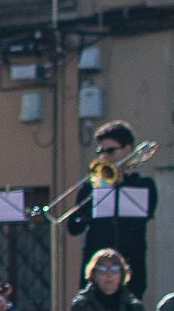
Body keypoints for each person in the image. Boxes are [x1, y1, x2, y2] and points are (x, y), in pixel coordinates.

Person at [60, 121, 158, 300]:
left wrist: (120, 185)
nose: (104, 157)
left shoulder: (143, 184)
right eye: (100, 152)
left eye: (110, 151)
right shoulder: (93, 185)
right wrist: (93, 197)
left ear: (128, 149)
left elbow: (142, 219)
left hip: (131, 267)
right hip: (95, 271)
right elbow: (75, 228)